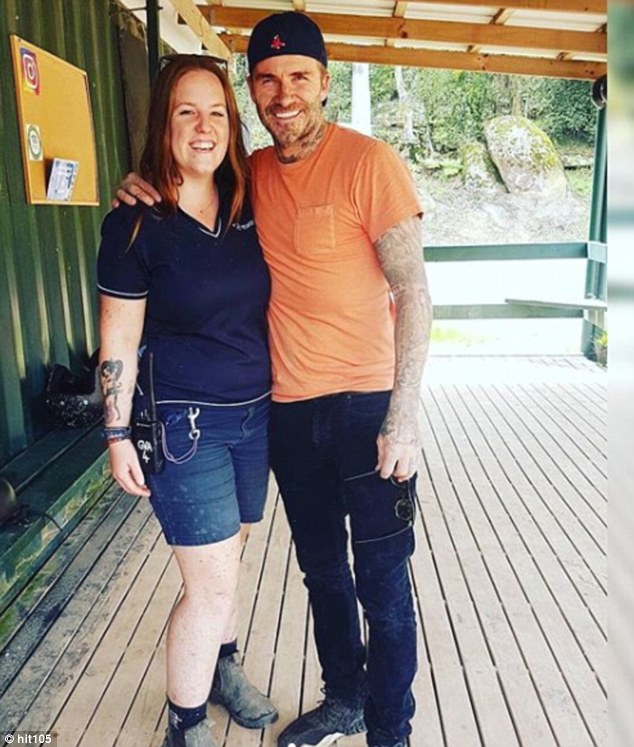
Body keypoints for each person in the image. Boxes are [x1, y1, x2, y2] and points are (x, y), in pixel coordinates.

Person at [115, 13, 433, 747]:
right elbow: (186, 194)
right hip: (289, 413)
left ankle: (391, 729)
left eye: (298, 77)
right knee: (323, 572)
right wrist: (140, 183)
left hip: (366, 406)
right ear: (251, 92)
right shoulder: (251, 174)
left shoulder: (370, 162)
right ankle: (345, 698)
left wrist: (404, 413)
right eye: (266, 79)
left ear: (323, 82)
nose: (282, 94)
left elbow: (413, 289)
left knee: (383, 584)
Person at [98, 56, 278, 747]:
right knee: (208, 587)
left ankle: (221, 668)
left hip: (255, 414)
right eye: (185, 112)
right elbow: (118, 336)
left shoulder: (250, 195)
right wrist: (116, 434)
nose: (203, 128)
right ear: (162, 124)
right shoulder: (136, 224)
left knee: (228, 568)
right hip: (186, 426)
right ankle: (187, 722)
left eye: (216, 113)